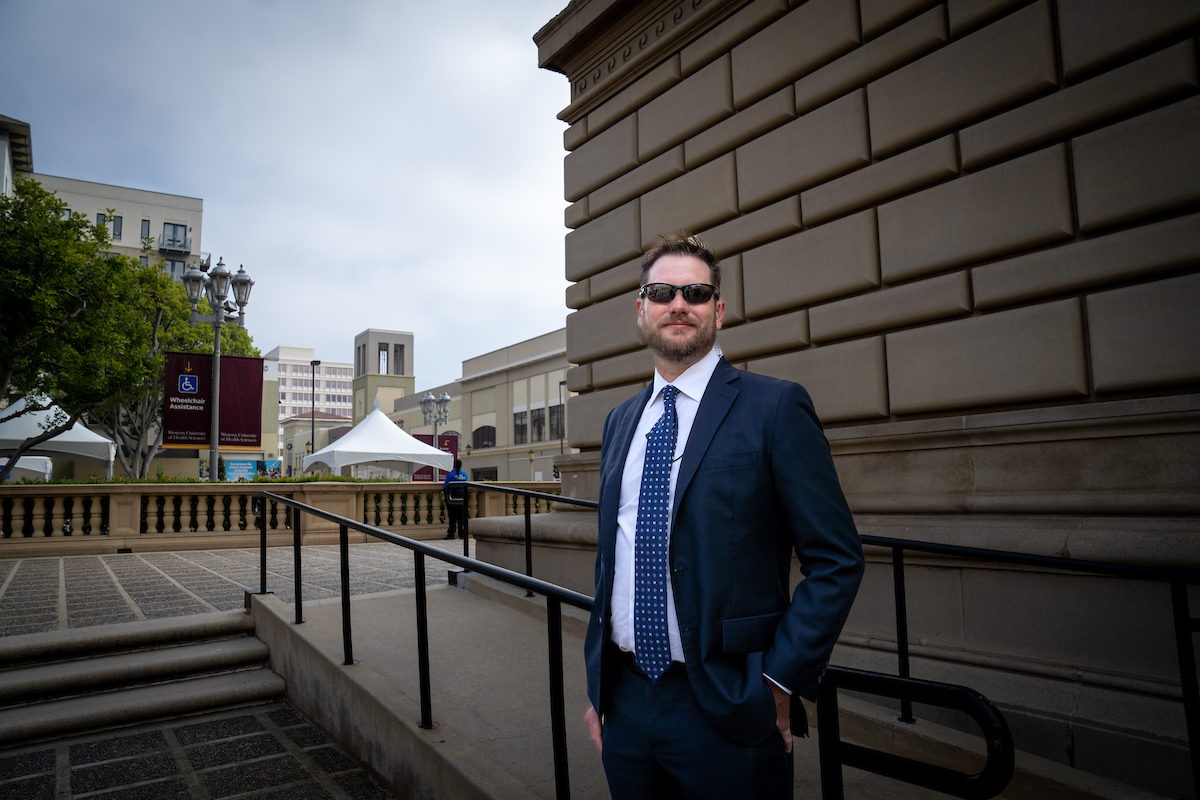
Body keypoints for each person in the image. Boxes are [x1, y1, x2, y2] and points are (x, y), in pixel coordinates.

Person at [583, 233, 864, 798]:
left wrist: (778, 680)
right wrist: (599, 689)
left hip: (731, 706)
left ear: (719, 310)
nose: (678, 303)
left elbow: (836, 560)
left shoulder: (774, 407)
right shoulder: (620, 422)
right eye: (662, 291)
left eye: (695, 292)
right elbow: (613, 557)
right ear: (641, 309)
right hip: (626, 704)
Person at [443, 459, 468, 539]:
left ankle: (451, 533)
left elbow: (445, 487)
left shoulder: (450, 475)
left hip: (452, 497)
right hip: (462, 497)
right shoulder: (465, 474)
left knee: (452, 517)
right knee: (461, 517)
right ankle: (462, 534)